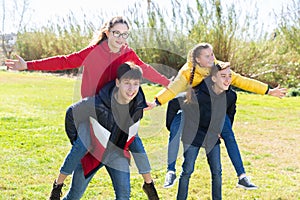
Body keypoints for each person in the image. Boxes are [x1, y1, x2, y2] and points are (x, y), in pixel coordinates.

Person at [5, 16, 168, 199]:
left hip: (117, 118)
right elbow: (64, 61)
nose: (121, 39)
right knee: (81, 151)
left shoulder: (127, 53)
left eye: (124, 34)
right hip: (92, 114)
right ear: (107, 33)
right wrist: (27, 65)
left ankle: (149, 184)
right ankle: (58, 184)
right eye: (116, 33)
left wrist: (168, 83)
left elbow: (144, 69)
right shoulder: (93, 52)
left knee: (134, 142)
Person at [149, 43, 287, 189]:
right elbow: (173, 89)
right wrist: (156, 101)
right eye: (207, 56)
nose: (212, 58)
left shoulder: (219, 68)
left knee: (229, 135)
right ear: (197, 59)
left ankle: (242, 176)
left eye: (212, 54)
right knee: (177, 126)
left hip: (216, 108)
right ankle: (171, 171)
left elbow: (243, 81)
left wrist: (268, 91)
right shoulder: (188, 71)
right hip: (195, 107)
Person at [58, 62, 153, 199]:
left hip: (117, 155)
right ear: (118, 83)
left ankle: (150, 185)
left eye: (136, 84)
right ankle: (58, 186)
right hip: (93, 155)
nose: (131, 89)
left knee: (124, 197)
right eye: (127, 83)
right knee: (74, 196)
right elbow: (71, 113)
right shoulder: (96, 103)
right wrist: (76, 140)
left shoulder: (138, 106)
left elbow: (132, 136)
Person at [174, 62, 236, 199]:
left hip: (212, 136)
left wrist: (223, 130)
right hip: (193, 135)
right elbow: (177, 104)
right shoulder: (198, 93)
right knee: (187, 170)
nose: (227, 80)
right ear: (213, 78)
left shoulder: (230, 95)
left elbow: (230, 113)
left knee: (217, 171)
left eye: (230, 76)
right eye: (223, 76)